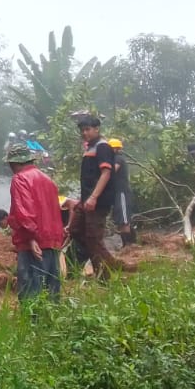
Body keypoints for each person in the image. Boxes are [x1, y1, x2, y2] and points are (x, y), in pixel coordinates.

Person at [1, 142, 65, 302]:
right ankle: (53, 324)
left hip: (33, 243)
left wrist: (31, 238)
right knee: (52, 290)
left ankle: (32, 324)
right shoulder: (48, 180)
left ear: (15, 163)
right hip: (52, 241)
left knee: (31, 292)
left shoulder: (19, 179)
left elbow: (24, 212)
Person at [64, 114, 122, 280]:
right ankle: (73, 268)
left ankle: (106, 276)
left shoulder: (102, 147)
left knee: (93, 239)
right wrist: (83, 201)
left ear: (97, 129)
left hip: (97, 202)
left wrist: (94, 197)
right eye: (82, 130)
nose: (84, 133)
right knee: (76, 231)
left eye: (88, 129)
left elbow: (106, 173)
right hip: (86, 201)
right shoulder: (90, 147)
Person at [108, 138, 136, 246]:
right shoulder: (114, 159)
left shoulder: (118, 159)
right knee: (120, 219)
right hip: (117, 193)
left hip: (122, 193)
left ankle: (129, 244)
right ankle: (128, 243)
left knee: (124, 219)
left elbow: (111, 172)